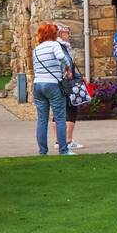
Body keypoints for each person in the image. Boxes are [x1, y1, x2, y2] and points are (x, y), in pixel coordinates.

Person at [32, 22, 73, 156]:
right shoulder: (55, 45)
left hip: (38, 85)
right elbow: (61, 57)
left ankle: (43, 151)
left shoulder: (36, 49)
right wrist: (67, 67)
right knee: (60, 117)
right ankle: (63, 150)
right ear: (53, 34)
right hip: (53, 84)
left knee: (42, 119)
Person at [56, 23, 84, 151]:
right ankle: (67, 140)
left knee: (59, 111)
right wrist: (70, 73)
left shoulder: (56, 46)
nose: (69, 35)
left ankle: (59, 140)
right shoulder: (61, 47)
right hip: (66, 82)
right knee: (71, 109)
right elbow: (66, 64)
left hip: (58, 82)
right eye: (67, 32)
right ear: (61, 33)